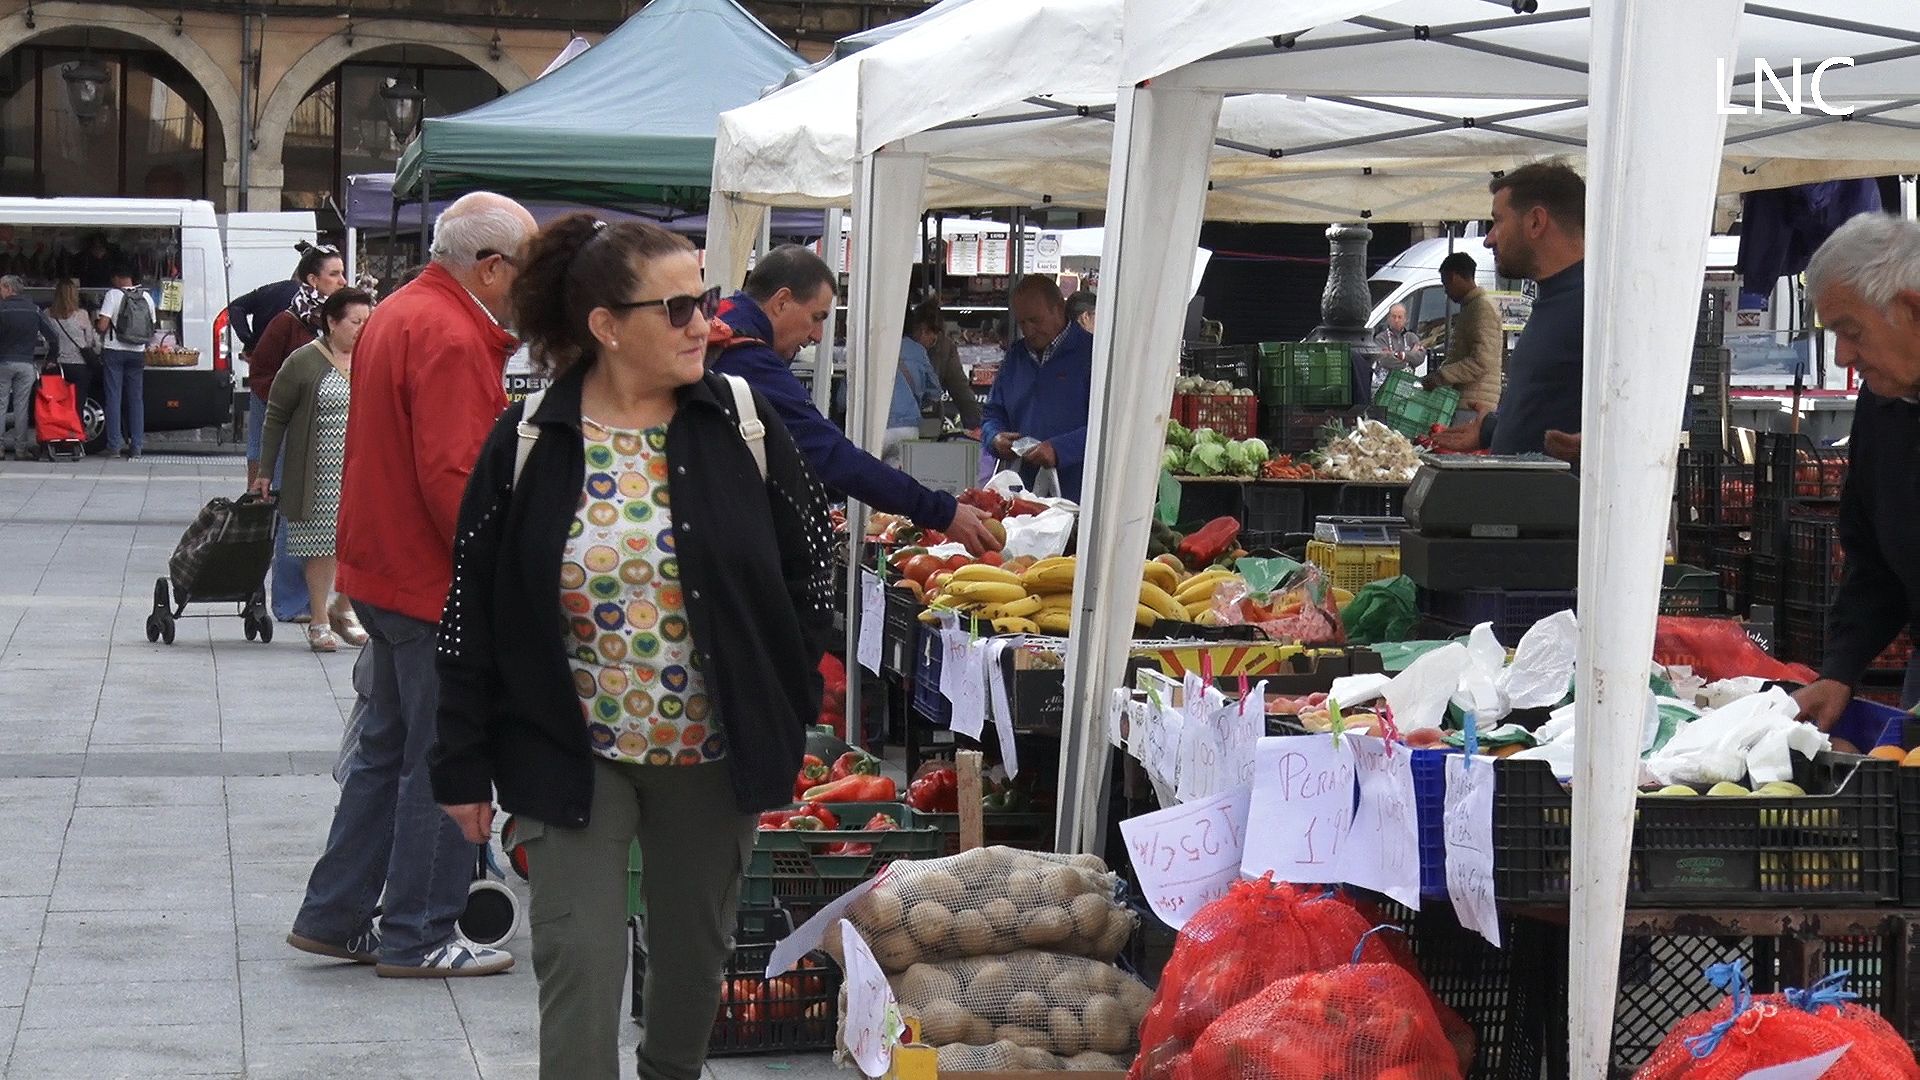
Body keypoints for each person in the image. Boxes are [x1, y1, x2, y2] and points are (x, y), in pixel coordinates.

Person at [432, 216, 833, 1080]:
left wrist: (790, 696)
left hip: (713, 752)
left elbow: (812, 565)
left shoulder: (742, 421)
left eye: (707, 300)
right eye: (680, 306)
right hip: (570, 750)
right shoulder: (530, 438)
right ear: (608, 327)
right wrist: (459, 759)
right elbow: (473, 603)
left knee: (691, 972)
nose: (705, 324)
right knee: (579, 968)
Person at [286, 191, 536, 979]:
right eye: (525, 270)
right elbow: (454, 479)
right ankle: (420, 931)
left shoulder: (398, 310)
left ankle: (336, 914)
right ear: (491, 269)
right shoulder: (454, 333)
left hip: (383, 568)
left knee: (383, 752)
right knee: (440, 756)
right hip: (429, 580)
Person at [708, 245, 1000, 554]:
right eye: (816, 317)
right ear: (781, 302)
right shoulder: (747, 358)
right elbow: (832, 456)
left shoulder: (718, 326)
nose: (818, 336)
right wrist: (941, 511)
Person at [1789, 214, 1920, 727]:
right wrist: (1841, 670)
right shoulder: (1883, 405)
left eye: (1851, 332)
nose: (1844, 356)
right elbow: (1872, 554)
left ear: (1911, 310)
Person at [1432, 162, 1587, 456]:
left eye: (1498, 221)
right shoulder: (1555, 297)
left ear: (1535, 222)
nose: (1489, 238)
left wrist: (1599, 443)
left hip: (1555, 499)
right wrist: (1490, 429)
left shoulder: (1592, 306)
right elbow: (1544, 405)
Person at [254, 287, 375, 653]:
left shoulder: (370, 357)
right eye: (355, 322)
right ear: (332, 322)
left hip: (361, 467)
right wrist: (264, 469)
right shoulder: (304, 361)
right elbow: (275, 415)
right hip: (317, 468)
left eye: (367, 322)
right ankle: (320, 618)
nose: (362, 329)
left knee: (358, 542)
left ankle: (345, 607)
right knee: (320, 542)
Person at [248, 245, 347, 624]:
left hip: (334, 432)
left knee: (327, 518)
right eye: (334, 274)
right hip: (295, 430)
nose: (342, 280)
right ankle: (291, 602)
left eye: (342, 273)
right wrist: (293, 397)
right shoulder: (288, 323)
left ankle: (321, 600)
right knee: (295, 513)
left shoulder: (341, 321)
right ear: (312, 279)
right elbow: (260, 375)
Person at [981, 274, 1094, 501]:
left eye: (1035, 320)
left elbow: (1106, 426)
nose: (1028, 330)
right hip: (1020, 495)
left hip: (1076, 495)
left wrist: (1059, 449)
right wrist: (994, 437)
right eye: (1022, 322)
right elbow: (992, 412)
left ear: (1059, 308)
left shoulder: (1091, 354)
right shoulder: (1015, 357)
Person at [226, 243, 312, 486]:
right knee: (286, 439)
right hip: (294, 376)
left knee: (257, 438)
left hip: (263, 372)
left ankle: (254, 493)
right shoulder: (310, 306)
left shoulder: (270, 291)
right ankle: (279, 488)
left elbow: (236, 306)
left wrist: (249, 339)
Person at [1423, 251, 1505, 420]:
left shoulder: (1482, 308)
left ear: (1454, 277)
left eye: (1446, 284)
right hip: (1466, 400)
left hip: (1474, 404)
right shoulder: (1471, 306)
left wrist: (1442, 376)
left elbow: (1482, 361)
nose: (1446, 292)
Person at [95, 267, 154, 459]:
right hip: (137, 353)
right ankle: (136, 446)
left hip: (114, 351)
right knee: (136, 399)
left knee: (114, 398)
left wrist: (97, 325)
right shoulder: (147, 296)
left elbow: (103, 325)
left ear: (118, 277)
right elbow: (152, 327)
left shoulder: (113, 295)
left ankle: (115, 445)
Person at [0, 275, 58, 460]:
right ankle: (20, 449)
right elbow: (53, 336)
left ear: (9, 289)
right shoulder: (34, 310)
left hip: (3, 363)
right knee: (21, 407)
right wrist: (51, 357)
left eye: (1, 287)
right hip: (26, 364)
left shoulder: (2, 309)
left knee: (1, 406)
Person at [885, 303, 944, 464]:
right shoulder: (918, 352)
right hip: (907, 429)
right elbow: (935, 393)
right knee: (897, 483)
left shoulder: (872, 346)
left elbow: (843, 399)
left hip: (876, 427)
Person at [916, 297, 981, 431]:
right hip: (927, 418)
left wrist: (977, 427)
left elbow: (961, 390)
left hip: (922, 419)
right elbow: (961, 390)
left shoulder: (943, 347)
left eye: (931, 333)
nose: (927, 337)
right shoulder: (944, 347)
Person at [45, 279, 99, 436]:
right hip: (79, 365)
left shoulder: (47, 314)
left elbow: (45, 340)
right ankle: (76, 435)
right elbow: (89, 341)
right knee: (78, 403)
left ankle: (57, 435)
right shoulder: (81, 315)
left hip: (57, 366)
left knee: (57, 405)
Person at [1372, 303, 1426, 393]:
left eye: (1400, 317)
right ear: (1388, 319)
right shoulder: (1380, 338)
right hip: (1384, 387)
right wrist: (1409, 357)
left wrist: (1395, 354)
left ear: (1405, 320)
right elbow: (1385, 360)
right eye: (1393, 317)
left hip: (1406, 387)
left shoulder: (1412, 338)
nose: (1396, 320)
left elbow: (1420, 358)